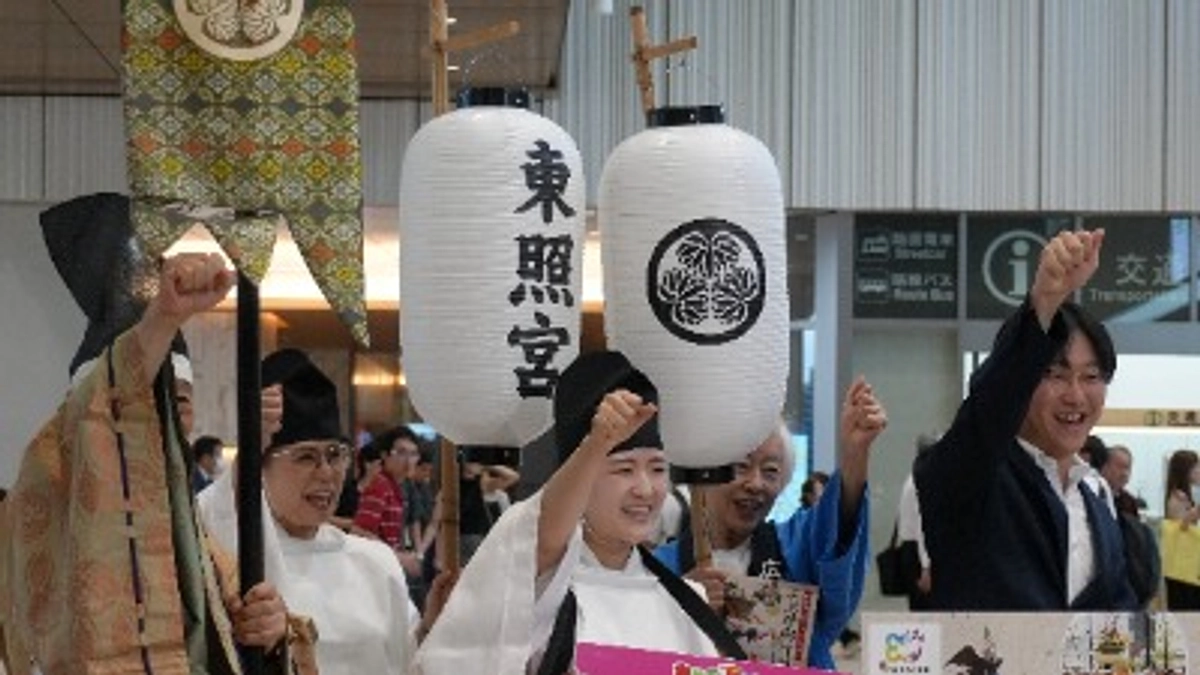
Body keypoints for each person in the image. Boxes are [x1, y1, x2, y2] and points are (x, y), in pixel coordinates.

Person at [6, 247, 288, 673]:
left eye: (179, 402)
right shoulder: (42, 494)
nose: (160, 421)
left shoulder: (203, 547)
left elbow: (236, 646)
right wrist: (162, 319)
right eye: (140, 409)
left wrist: (268, 630)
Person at [416, 350, 744, 674]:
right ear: (580, 477)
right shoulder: (536, 584)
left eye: (657, 469)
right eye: (624, 469)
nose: (645, 489)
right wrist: (596, 444)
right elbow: (542, 537)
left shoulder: (685, 601)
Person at [914, 228, 1138, 610]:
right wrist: (1044, 302)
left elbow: (1117, 618)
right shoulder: (972, 476)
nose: (1076, 394)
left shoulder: (1096, 502)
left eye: (1091, 376)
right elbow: (989, 405)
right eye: (1055, 374)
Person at [199, 348, 444, 674]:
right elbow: (215, 514)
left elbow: (407, 660)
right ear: (261, 467)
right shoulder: (238, 554)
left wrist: (430, 627)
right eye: (305, 457)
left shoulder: (375, 561)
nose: (327, 473)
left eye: (335, 454)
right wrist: (250, 445)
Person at [655, 377, 885, 670]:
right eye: (741, 466)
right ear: (707, 474)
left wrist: (855, 452)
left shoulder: (794, 548)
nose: (756, 483)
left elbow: (835, 528)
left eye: (771, 471)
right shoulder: (661, 567)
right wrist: (684, 605)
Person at [896, 434, 937, 610]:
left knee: (919, 610)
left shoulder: (912, 479)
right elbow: (923, 527)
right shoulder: (921, 482)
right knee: (925, 613)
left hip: (911, 550)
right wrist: (926, 566)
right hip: (918, 553)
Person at [1162, 449, 1200, 609]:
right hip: (1183, 570)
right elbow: (1182, 526)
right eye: (1196, 467)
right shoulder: (1178, 496)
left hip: (1184, 569)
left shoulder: (1183, 495)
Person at [1099, 443, 1143, 518]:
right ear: (1105, 467)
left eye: (1127, 468)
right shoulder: (1095, 496)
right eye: (1119, 467)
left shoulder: (1129, 502)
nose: (1124, 473)